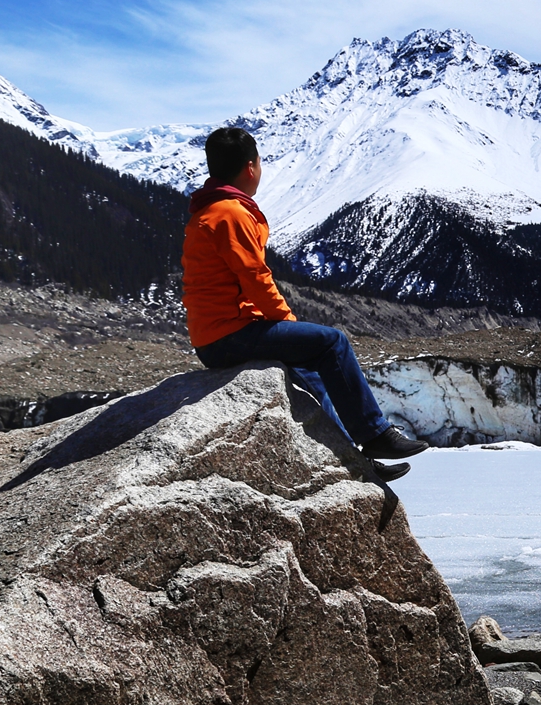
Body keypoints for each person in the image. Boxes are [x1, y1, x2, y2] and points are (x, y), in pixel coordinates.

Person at [182, 126, 427, 476]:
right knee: (332, 342)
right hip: (230, 334)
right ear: (251, 168)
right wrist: (287, 322)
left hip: (215, 336)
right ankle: (374, 433)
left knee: (310, 372)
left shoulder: (206, 211)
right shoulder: (230, 213)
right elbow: (255, 279)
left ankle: (358, 463)